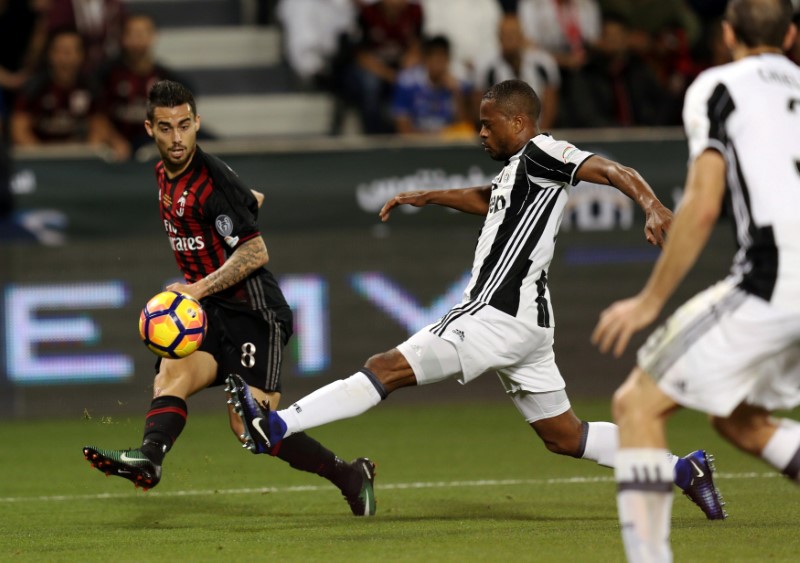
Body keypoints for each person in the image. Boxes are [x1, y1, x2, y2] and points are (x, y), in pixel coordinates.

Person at [227, 78, 726, 521]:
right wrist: (427, 196)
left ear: (519, 122)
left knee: (385, 368)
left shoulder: (543, 153)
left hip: (496, 314)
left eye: (488, 125)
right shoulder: (517, 171)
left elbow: (611, 168)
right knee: (565, 436)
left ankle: (275, 423)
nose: (481, 133)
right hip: (528, 325)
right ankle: (684, 470)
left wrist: (653, 204)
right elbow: (486, 199)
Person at [82, 80, 377, 517]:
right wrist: (243, 206)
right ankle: (150, 458)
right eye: (166, 128)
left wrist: (194, 290)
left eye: (185, 125)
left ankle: (351, 476)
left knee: (250, 428)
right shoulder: (164, 173)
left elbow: (256, 250)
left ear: (197, 122)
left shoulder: (210, 179)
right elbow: (249, 202)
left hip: (256, 313)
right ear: (150, 129)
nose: (177, 138)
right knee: (170, 377)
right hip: (209, 312)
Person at [591, 0, 800, 560]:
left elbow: (704, 204)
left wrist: (649, 300)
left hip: (775, 278)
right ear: (792, 34)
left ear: (727, 34)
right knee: (739, 420)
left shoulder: (718, 87)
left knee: (637, 404)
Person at [11, 27, 129, 160]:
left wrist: (88, 153)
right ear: (50, 54)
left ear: (81, 55)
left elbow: (99, 126)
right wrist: (43, 157)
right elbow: (19, 130)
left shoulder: (91, 87)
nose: (66, 57)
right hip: (41, 158)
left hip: (77, 158)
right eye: (61, 51)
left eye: (72, 51)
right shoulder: (34, 87)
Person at [99, 13, 180, 152]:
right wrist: (113, 138)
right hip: (118, 146)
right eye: (132, 33)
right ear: (123, 38)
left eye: (142, 33)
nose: (137, 39)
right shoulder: (108, 74)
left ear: (153, 36)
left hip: (153, 144)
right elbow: (97, 116)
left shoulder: (166, 77)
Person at [474, 13, 560, 131]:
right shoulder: (487, 68)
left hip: (538, 132)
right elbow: (482, 109)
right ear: (498, 38)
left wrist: (539, 137)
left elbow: (550, 104)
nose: (509, 40)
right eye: (505, 35)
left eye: (513, 34)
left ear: (522, 36)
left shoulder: (543, 63)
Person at [391, 34, 471, 136]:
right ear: (426, 59)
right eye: (436, 57)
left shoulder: (457, 86)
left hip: (447, 146)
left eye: (443, 58)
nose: (439, 63)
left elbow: (465, 130)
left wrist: (457, 94)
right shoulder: (406, 83)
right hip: (417, 146)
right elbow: (404, 130)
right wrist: (433, 138)